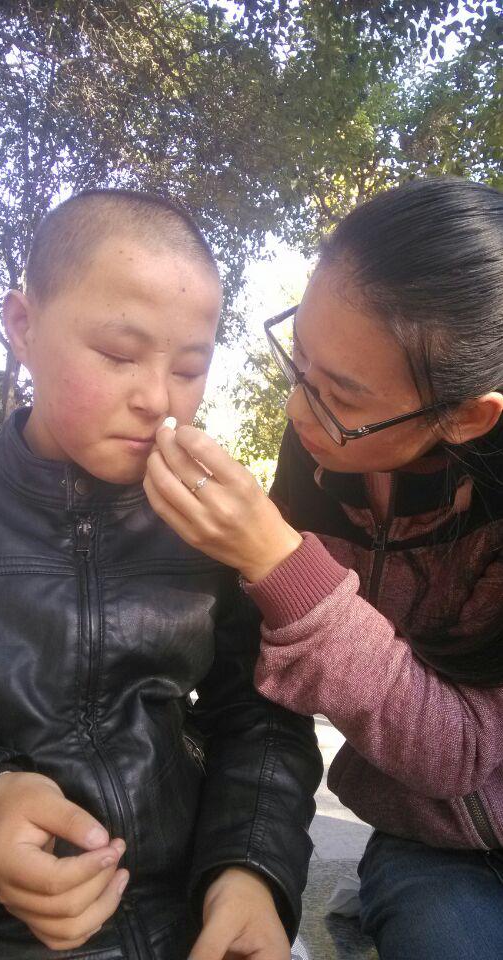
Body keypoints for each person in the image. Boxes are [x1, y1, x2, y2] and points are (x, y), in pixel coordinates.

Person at [145, 177, 503, 960]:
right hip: (431, 847)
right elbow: (254, 698)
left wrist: (280, 563)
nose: (297, 409)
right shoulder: (316, 457)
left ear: (464, 416)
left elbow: (459, 752)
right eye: (299, 360)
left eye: (340, 394)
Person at [0, 188, 322, 960]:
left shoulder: (210, 526)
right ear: (22, 325)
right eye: (119, 355)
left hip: (190, 911)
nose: (158, 400)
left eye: (189, 369)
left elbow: (261, 718)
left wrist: (249, 873)